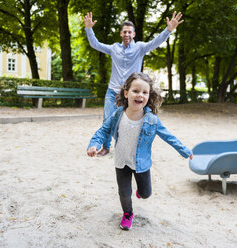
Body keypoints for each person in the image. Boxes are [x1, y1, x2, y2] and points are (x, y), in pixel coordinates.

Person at [87, 72, 193, 230]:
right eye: (135, 91)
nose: (140, 95)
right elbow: (103, 131)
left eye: (145, 92)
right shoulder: (117, 114)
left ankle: (140, 192)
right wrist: (93, 144)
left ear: (149, 96)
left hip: (141, 163)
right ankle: (128, 213)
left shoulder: (152, 120)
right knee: (124, 192)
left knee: (146, 193)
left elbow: (169, 137)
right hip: (121, 161)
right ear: (126, 93)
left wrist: (184, 150)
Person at [83, 11, 184, 156]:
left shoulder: (140, 48)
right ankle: (105, 146)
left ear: (134, 34)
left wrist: (168, 30)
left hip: (130, 93)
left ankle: (127, 145)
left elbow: (156, 42)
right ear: (120, 33)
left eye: (129, 32)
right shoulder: (113, 49)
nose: (127, 34)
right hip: (112, 92)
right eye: (124, 32)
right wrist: (89, 29)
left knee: (130, 119)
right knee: (107, 118)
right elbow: (95, 44)